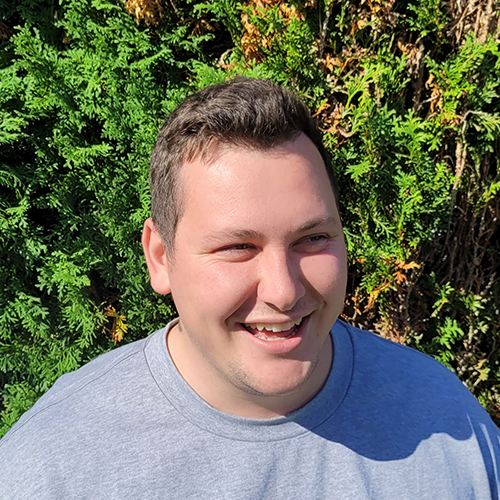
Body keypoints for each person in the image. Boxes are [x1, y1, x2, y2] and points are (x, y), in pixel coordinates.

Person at [0, 77, 499, 499]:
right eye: (238, 247)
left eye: (313, 238)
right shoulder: (53, 468)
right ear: (160, 258)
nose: (283, 291)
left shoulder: (448, 422)